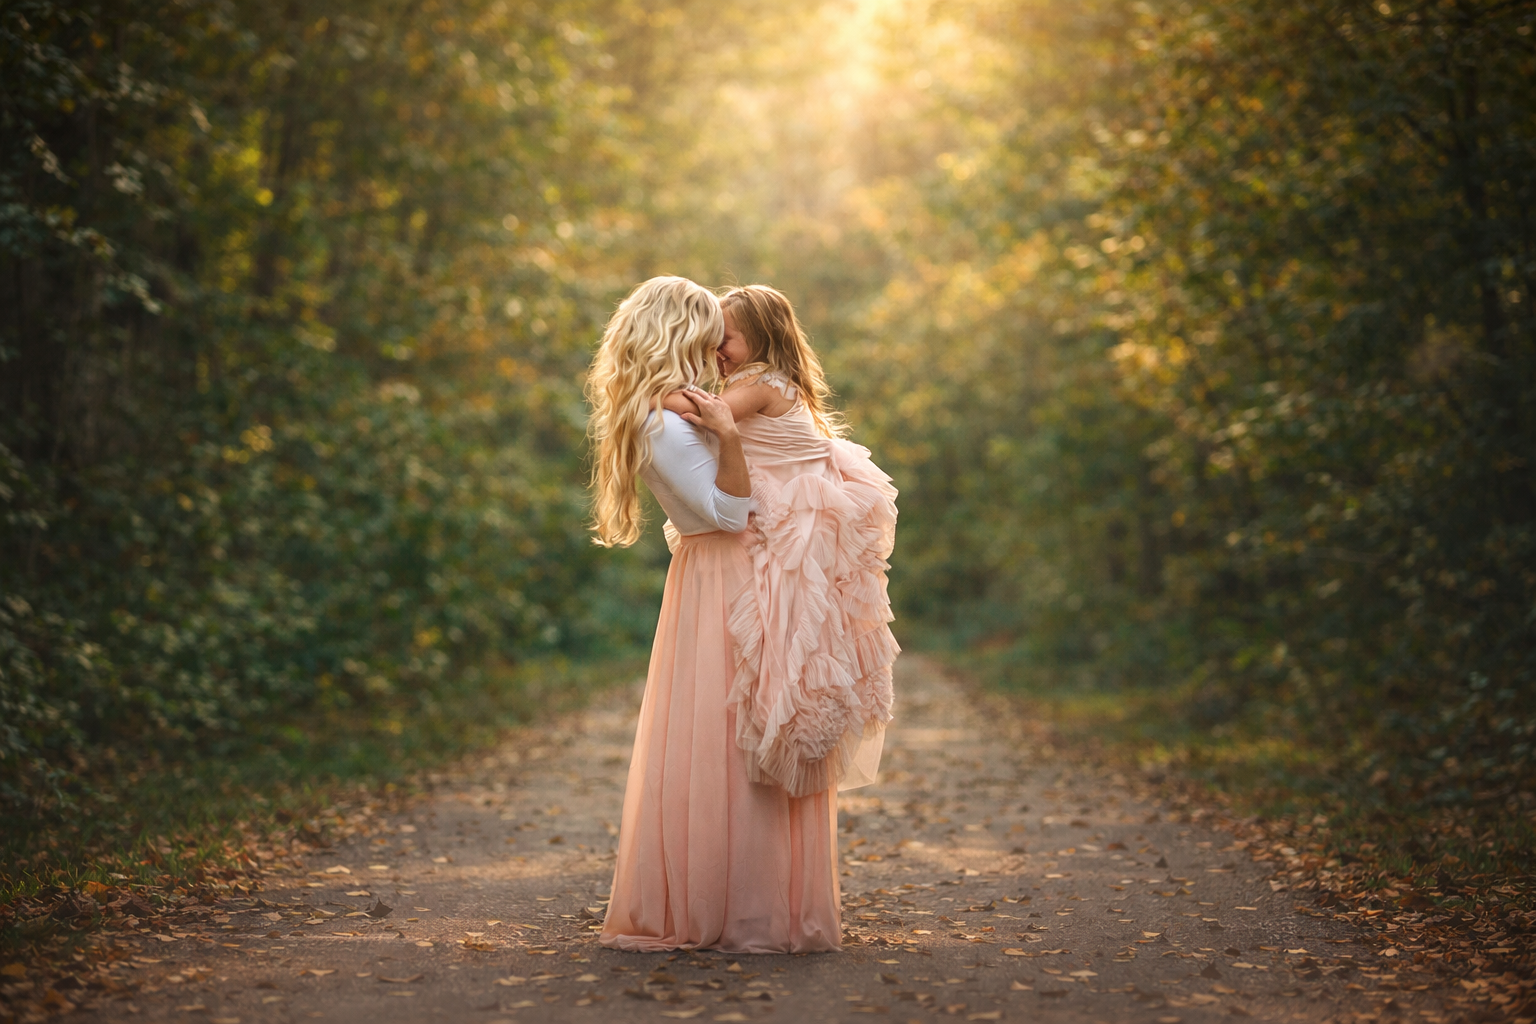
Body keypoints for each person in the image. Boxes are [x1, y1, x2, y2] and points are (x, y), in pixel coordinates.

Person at [588, 276, 842, 954]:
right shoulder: (667, 421)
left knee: (745, 736)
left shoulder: (680, 408)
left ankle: (753, 902)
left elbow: (742, 494)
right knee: (732, 741)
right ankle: (740, 906)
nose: (713, 352)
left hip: (728, 572)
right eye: (706, 337)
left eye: (722, 338)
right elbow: (729, 513)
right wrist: (722, 434)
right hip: (724, 570)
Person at [664, 285, 899, 801]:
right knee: (784, 622)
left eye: (725, 339)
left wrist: (642, 388)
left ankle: (789, 720)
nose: (716, 351)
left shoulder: (762, 382)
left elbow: (699, 411)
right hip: (785, 509)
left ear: (763, 338)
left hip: (797, 516)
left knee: (791, 620)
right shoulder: (760, 379)